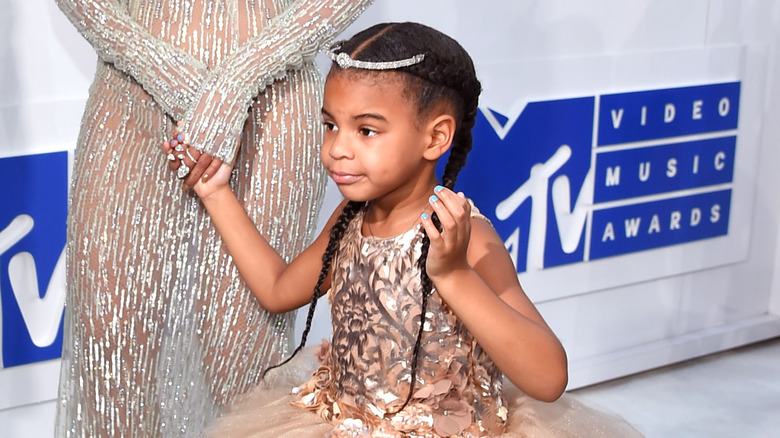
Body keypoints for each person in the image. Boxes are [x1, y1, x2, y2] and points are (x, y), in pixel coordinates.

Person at [170, 21, 644, 437]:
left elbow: (548, 377)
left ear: (436, 136)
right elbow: (278, 289)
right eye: (330, 125)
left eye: (366, 130)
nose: (337, 149)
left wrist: (454, 275)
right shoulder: (350, 221)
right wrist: (216, 192)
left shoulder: (466, 239)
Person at [54, 0, 374, 436]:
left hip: (269, 102)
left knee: (240, 364)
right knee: (110, 357)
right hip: (127, 93)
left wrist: (234, 83)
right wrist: (158, 66)